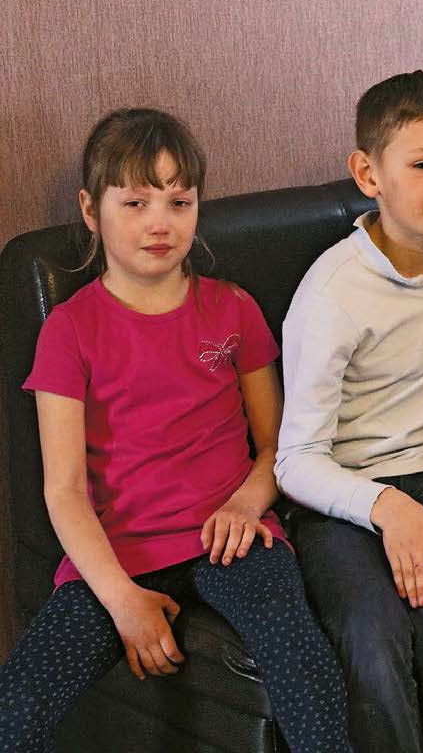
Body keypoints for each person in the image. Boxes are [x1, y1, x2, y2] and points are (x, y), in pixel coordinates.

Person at [0, 108, 351, 753]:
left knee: (302, 661)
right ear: (90, 210)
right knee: (17, 705)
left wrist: (246, 505)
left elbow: (277, 447)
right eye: (135, 202)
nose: (160, 223)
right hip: (116, 554)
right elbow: (64, 491)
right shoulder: (69, 331)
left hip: (231, 535)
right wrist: (122, 602)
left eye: (178, 202)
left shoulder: (232, 308)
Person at [275, 72, 423, 752]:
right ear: (368, 174)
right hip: (342, 487)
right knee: (370, 638)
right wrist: (385, 507)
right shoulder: (331, 296)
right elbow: (296, 460)